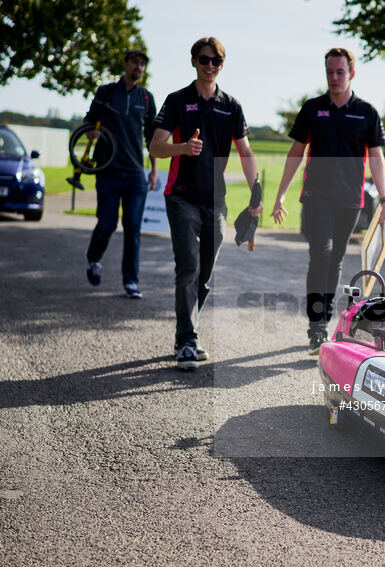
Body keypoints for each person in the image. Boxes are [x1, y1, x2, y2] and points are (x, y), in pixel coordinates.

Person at [271, 48, 385, 355]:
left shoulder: (366, 112)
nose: (335, 77)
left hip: (350, 200)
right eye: (330, 72)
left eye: (340, 72)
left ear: (351, 73)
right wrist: (281, 193)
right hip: (316, 197)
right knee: (321, 254)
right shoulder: (313, 108)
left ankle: (323, 321)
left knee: (337, 258)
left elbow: (377, 158)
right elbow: (296, 152)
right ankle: (317, 326)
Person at [148, 37, 261, 370]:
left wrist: (257, 194)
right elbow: (155, 147)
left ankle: (187, 333)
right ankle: (187, 340)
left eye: (215, 61)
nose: (209, 65)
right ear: (194, 61)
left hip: (217, 201)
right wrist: (182, 148)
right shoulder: (177, 100)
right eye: (203, 59)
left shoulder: (232, 105)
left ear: (221, 65)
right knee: (187, 268)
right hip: (181, 197)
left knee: (205, 276)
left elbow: (246, 152)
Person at [84, 49, 157, 299]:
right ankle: (94, 259)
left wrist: (154, 169)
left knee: (133, 227)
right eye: (135, 62)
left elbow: (152, 139)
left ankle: (131, 282)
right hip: (108, 170)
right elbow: (88, 120)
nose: (139, 67)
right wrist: (90, 131)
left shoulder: (146, 98)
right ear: (125, 64)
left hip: (136, 173)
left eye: (142, 64)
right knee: (106, 223)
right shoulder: (106, 92)